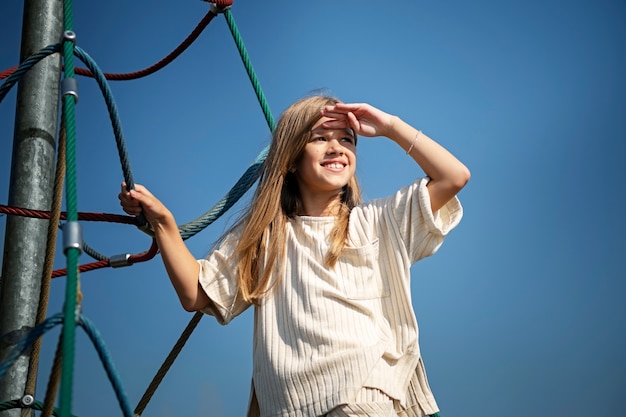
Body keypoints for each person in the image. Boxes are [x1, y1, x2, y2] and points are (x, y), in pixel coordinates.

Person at [119, 95, 470, 417]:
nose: (337, 148)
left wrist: (391, 126)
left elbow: (453, 176)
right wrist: (164, 223)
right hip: (290, 406)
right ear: (291, 158)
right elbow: (195, 292)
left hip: (364, 397)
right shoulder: (265, 238)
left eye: (346, 139)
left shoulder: (379, 222)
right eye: (320, 138)